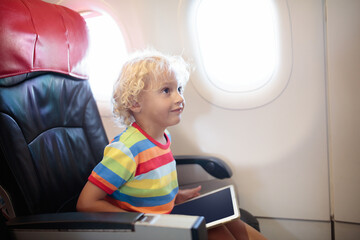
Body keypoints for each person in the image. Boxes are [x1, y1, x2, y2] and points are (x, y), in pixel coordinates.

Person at [77, 49, 267, 240]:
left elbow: (146, 186)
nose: (179, 98)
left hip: (165, 217)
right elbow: (86, 202)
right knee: (219, 232)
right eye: (166, 91)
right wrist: (142, 220)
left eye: (179, 89)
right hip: (147, 229)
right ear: (135, 103)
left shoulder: (163, 137)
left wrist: (174, 197)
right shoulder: (126, 149)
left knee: (233, 221)